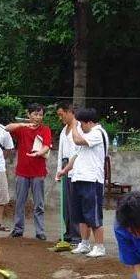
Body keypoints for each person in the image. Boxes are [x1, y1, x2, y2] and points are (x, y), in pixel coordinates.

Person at [57, 108, 108, 257]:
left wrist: (73, 126)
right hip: (78, 178)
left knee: (93, 215)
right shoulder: (86, 133)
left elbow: (77, 140)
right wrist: (64, 170)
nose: (80, 127)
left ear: (90, 122)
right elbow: (75, 156)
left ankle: (99, 246)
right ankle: (84, 244)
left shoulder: (97, 133)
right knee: (80, 215)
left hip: (92, 180)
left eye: (81, 124)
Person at [6, 104, 52, 240]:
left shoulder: (45, 129)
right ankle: (18, 229)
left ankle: (40, 231)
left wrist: (39, 153)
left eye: (40, 115)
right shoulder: (22, 129)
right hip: (22, 172)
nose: (38, 117)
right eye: (35, 114)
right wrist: (23, 124)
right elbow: (7, 128)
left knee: (39, 204)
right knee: (20, 202)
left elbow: (47, 146)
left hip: (38, 172)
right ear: (29, 114)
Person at [55, 103, 81, 245]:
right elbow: (60, 152)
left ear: (70, 112)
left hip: (75, 168)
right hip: (65, 166)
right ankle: (69, 232)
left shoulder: (78, 129)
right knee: (66, 204)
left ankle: (77, 236)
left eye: (61, 114)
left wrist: (70, 169)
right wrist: (59, 170)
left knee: (74, 203)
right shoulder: (64, 130)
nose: (60, 118)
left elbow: (78, 152)